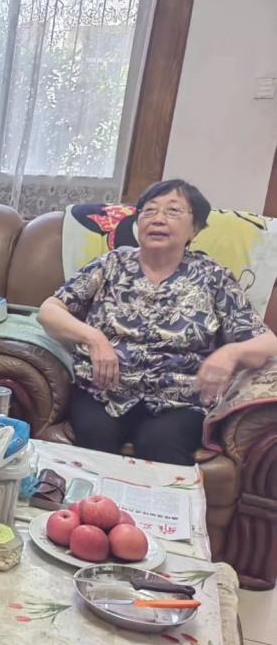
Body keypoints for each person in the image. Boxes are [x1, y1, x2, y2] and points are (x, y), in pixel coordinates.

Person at [38, 179, 277, 465]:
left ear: (195, 228)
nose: (158, 219)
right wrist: (94, 338)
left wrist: (232, 352)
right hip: (103, 391)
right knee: (95, 436)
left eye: (173, 211)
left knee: (161, 443)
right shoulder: (111, 264)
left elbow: (268, 342)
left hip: (180, 400)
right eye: (149, 211)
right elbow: (49, 310)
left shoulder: (213, 277)